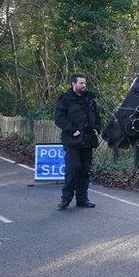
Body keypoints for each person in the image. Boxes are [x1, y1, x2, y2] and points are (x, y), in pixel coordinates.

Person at [53, 73, 102, 209]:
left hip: (88, 141)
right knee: (72, 170)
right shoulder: (65, 99)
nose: (84, 85)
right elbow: (59, 118)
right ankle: (65, 199)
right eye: (81, 83)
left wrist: (97, 128)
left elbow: (97, 115)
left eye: (85, 83)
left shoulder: (90, 99)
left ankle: (82, 199)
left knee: (85, 171)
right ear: (73, 84)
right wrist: (72, 130)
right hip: (72, 141)